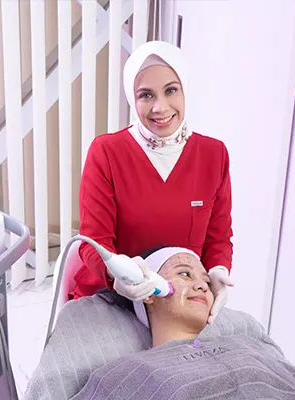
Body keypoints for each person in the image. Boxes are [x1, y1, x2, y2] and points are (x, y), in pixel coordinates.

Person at [74, 40, 233, 323]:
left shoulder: (213, 155)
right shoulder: (107, 152)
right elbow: (93, 243)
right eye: (146, 95)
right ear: (132, 98)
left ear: (185, 89)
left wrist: (218, 271)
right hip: (113, 299)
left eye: (171, 90)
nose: (160, 107)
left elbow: (217, 238)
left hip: (179, 302)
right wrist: (117, 277)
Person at [71, 247, 295, 400]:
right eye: (185, 274)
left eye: (206, 281)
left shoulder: (248, 346)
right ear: (149, 292)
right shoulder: (124, 373)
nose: (201, 286)